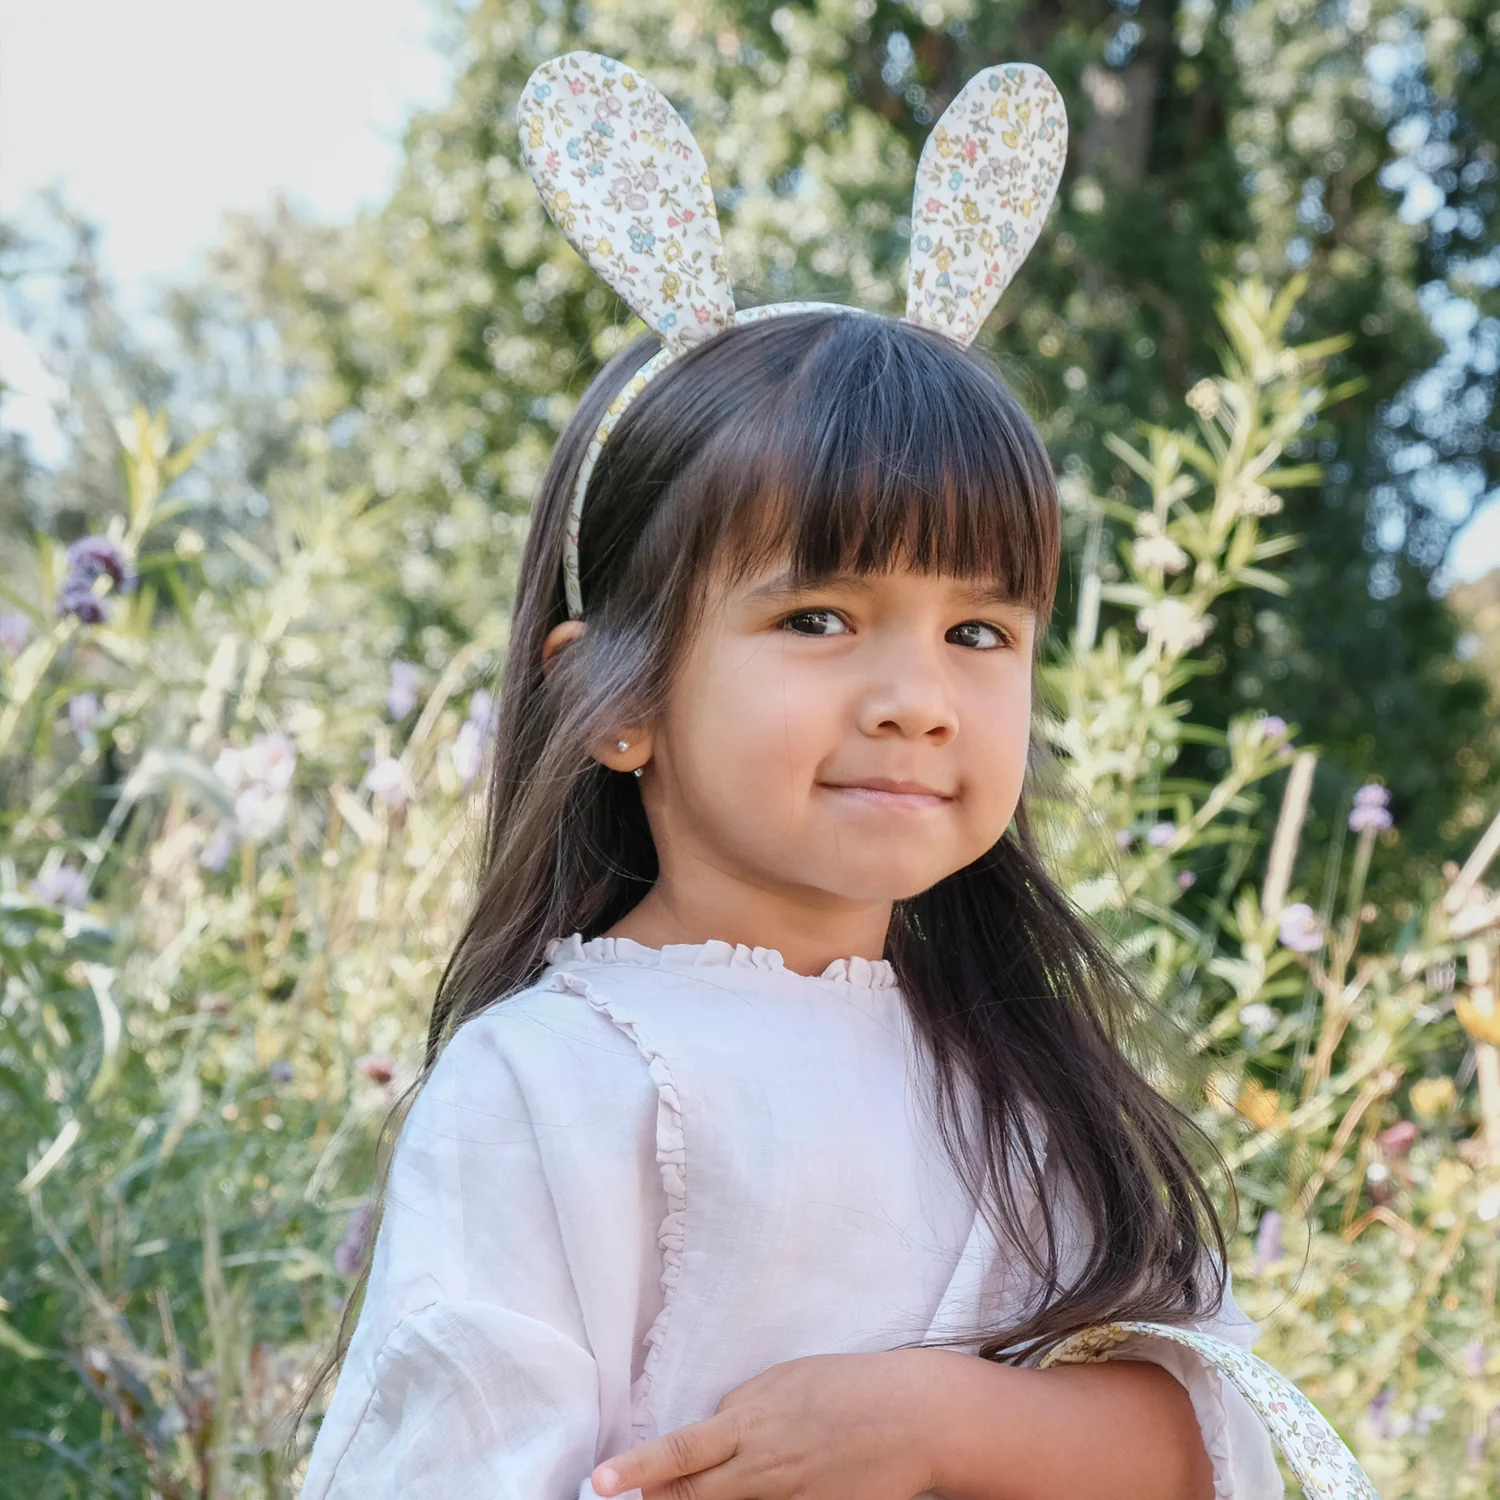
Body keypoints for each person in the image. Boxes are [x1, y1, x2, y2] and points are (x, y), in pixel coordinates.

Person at [299, 52, 1374, 1500]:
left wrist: (932, 1428)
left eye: (980, 630)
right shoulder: (552, 1083)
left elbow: (1204, 1440)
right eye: (818, 618)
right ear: (609, 700)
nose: (919, 700)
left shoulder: (1027, 1077)